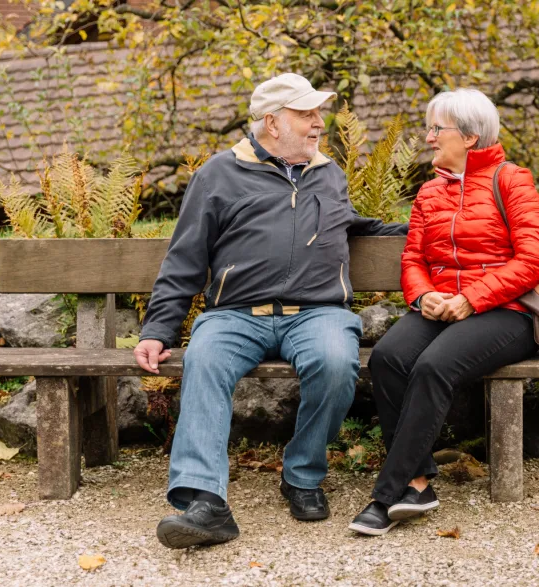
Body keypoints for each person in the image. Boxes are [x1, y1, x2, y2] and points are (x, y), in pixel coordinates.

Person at [133, 73, 408, 549]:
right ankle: (205, 502)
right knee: (205, 360)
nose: (319, 122)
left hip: (318, 311)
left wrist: (425, 229)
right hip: (235, 313)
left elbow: (349, 223)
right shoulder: (218, 174)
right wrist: (158, 328)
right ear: (272, 123)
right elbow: (185, 257)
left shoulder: (328, 173)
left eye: (317, 113)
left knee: (335, 362)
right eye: (307, 114)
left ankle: (302, 475)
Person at [348, 88, 539, 536]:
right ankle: (418, 483)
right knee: (388, 359)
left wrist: (472, 297)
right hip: (442, 306)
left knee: (433, 366)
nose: (428, 138)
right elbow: (413, 260)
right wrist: (425, 298)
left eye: (436, 129)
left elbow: (534, 259)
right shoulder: (429, 192)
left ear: (470, 137)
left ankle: (387, 495)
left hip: (506, 311)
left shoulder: (511, 180)